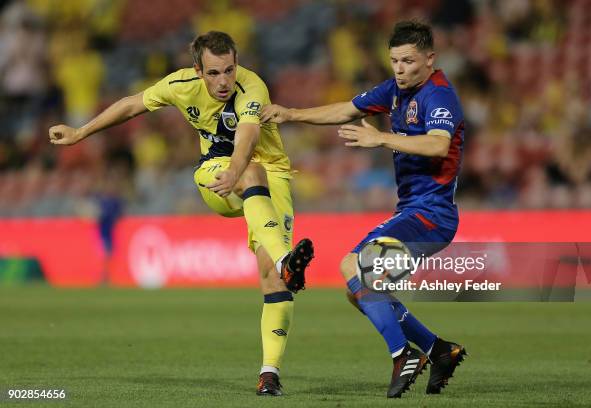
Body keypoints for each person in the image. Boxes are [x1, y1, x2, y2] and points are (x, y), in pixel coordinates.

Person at [48, 31, 314, 397]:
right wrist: (81, 132)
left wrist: (238, 171)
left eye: (229, 70)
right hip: (215, 173)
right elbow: (131, 104)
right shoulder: (180, 84)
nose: (223, 81)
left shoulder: (253, 87)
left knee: (273, 279)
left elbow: (248, 136)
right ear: (198, 71)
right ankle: (287, 258)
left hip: (271, 173)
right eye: (214, 73)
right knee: (251, 175)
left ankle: (269, 374)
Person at [262, 20, 466, 398]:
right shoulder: (394, 90)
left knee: (352, 266)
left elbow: (438, 145)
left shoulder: (440, 96)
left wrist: (380, 138)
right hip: (414, 211)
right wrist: (291, 114)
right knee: (359, 290)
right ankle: (439, 350)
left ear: (430, 59)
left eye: (408, 60)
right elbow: (346, 109)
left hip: (432, 214)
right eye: (394, 61)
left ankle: (403, 354)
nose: (400, 69)